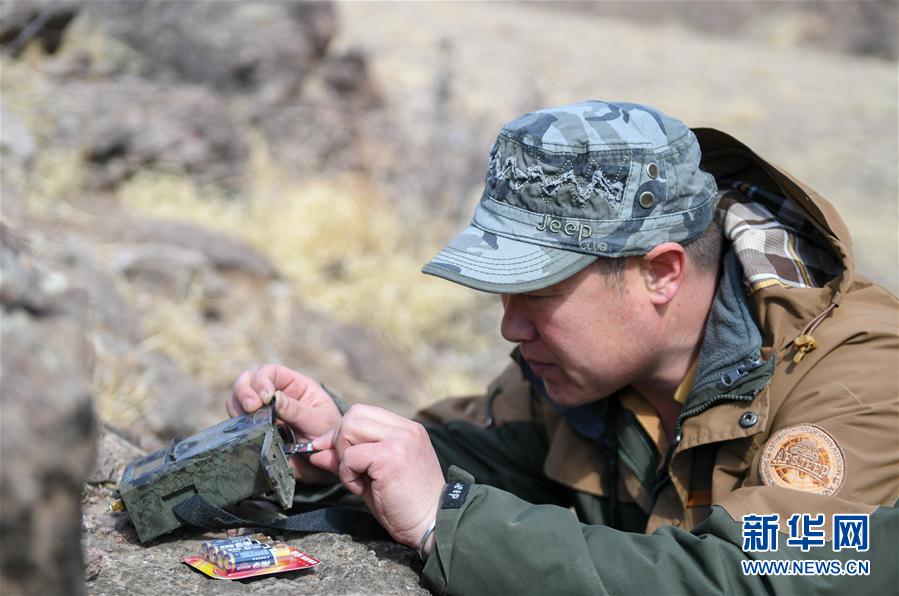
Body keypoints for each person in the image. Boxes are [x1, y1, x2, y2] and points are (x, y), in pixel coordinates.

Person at [228, 101, 898, 594]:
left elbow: (758, 582)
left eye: (539, 295)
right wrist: (340, 446)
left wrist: (446, 522)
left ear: (659, 273)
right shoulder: (589, 368)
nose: (511, 330)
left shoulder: (861, 376)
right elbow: (485, 455)